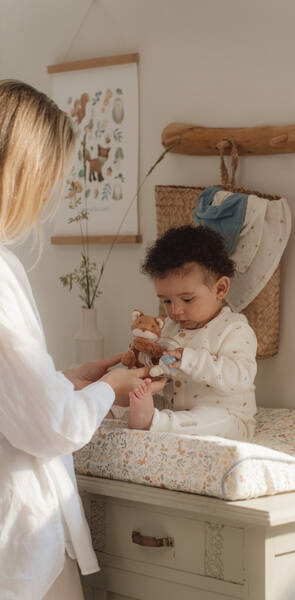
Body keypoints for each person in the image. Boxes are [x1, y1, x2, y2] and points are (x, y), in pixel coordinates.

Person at [0, 80, 164, 600]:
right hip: (20, 538)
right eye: (48, 179)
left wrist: (74, 380)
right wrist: (108, 390)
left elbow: (13, 394)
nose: (49, 195)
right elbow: (46, 425)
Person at [129, 225, 258, 442]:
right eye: (166, 301)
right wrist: (147, 366)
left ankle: (155, 422)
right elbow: (166, 371)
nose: (175, 310)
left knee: (212, 419)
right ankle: (116, 412)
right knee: (137, 396)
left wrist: (189, 360)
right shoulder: (171, 327)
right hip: (177, 409)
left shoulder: (234, 329)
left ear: (220, 289)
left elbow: (240, 378)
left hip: (228, 418)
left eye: (187, 299)